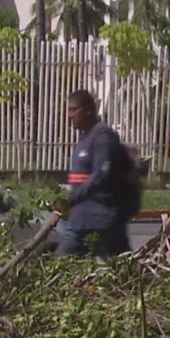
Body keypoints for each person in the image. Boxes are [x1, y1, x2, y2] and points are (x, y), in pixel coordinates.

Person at [58, 88, 133, 257]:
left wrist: (71, 200)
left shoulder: (102, 137)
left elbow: (101, 176)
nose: (70, 115)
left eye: (74, 109)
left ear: (89, 110)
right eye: (68, 110)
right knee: (61, 264)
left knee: (123, 269)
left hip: (103, 222)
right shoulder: (85, 139)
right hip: (80, 221)